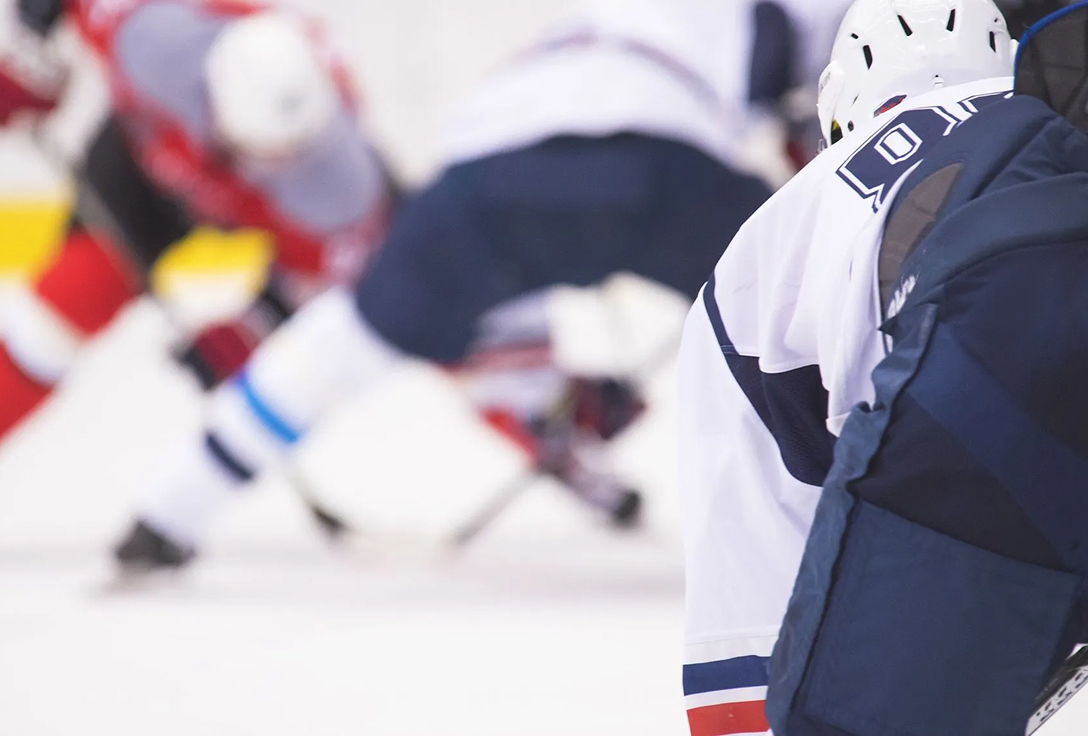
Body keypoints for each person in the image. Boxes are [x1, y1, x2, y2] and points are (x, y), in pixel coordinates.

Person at [111, 0, 854, 570]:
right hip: (666, 162)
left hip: (495, 163)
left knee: (349, 337)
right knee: (809, 322)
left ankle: (167, 514)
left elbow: (521, 265)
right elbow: (822, 118)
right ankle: (861, 502)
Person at [676, 0, 1036, 733]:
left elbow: (747, 602)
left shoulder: (777, 233)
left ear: (841, 104)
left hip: (968, 477)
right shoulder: (1065, 113)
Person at [0, 0, 395, 441]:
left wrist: (255, 325)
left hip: (230, 205)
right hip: (139, 158)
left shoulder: (335, 186)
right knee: (51, 323)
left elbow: (339, 273)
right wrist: (27, 51)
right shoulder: (156, 41)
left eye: (266, 157)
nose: (238, 161)